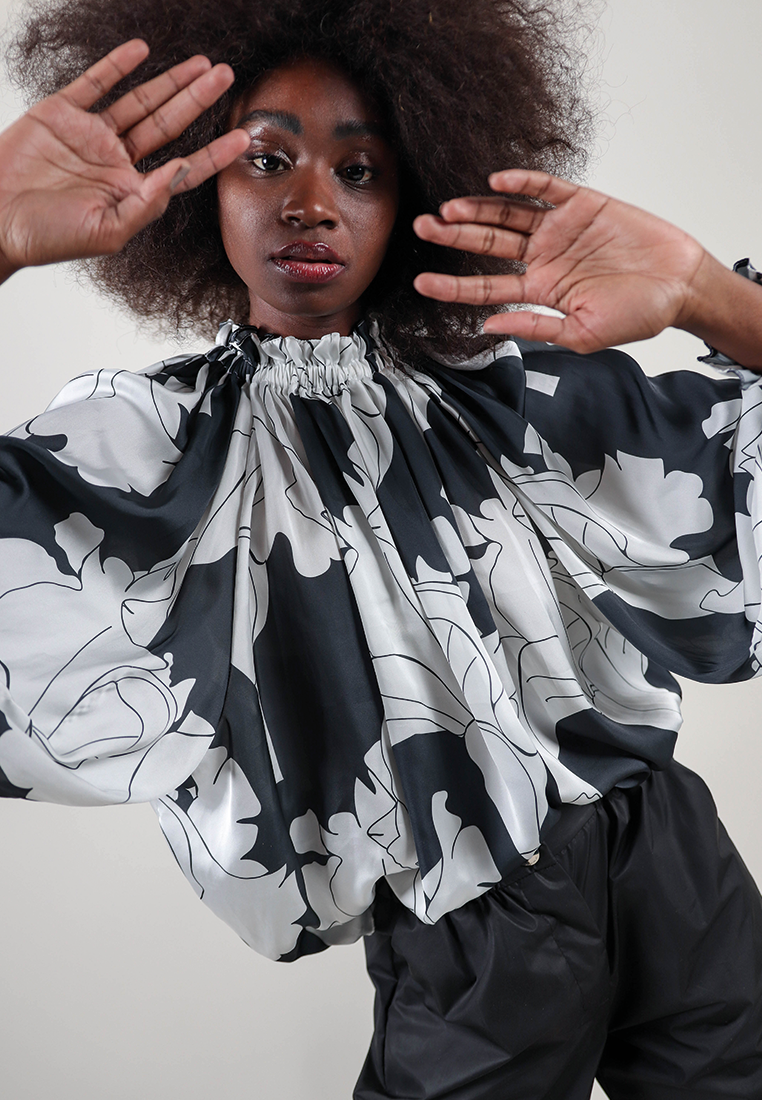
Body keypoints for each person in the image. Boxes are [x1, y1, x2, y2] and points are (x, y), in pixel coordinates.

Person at [0, 0, 761, 1096]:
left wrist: (703, 292)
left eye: (359, 170)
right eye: (267, 158)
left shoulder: (508, 391)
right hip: (473, 937)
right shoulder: (161, 452)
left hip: (678, 862)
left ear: (411, 196)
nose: (311, 202)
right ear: (199, 181)